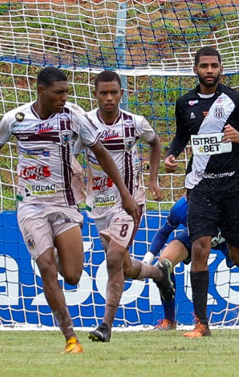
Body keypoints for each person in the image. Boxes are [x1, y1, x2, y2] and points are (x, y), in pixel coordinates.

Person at [0, 67, 140, 353]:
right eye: (59, 92)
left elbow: (101, 153)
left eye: (66, 91)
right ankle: (70, 337)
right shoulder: (15, 119)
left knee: (73, 275)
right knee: (45, 266)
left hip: (65, 205)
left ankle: (51, 247)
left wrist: (126, 195)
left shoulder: (74, 118)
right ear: (41, 92)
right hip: (30, 205)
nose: (65, 97)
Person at [164, 47, 239, 338]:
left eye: (214, 66)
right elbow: (182, 136)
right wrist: (173, 154)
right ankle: (201, 324)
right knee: (200, 248)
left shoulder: (236, 100)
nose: (209, 70)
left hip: (234, 188)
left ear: (221, 68)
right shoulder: (185, 103)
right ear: (195, 69)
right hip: (200, 187)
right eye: (204, 66)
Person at [83, 70, 175, 342]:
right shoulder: (86, 123)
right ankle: (159, 274)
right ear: (95, 94)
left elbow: (155, 142)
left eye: (114, 93)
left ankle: (105, 326)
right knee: (124, 267)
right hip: (99, 205)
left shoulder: (135, 123)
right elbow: (71, 153)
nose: (109, 98)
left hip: (130, 202)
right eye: (104, 93)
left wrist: (153, 180)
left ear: (122, 94)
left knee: (112, 259)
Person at [142, 195, 239, 330]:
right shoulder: (181, 208)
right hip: (194, 239)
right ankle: (168, 321)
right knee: (164, 264)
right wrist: (148, 260)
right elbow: (164, 231)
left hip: (225, 238)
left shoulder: (226, 204)